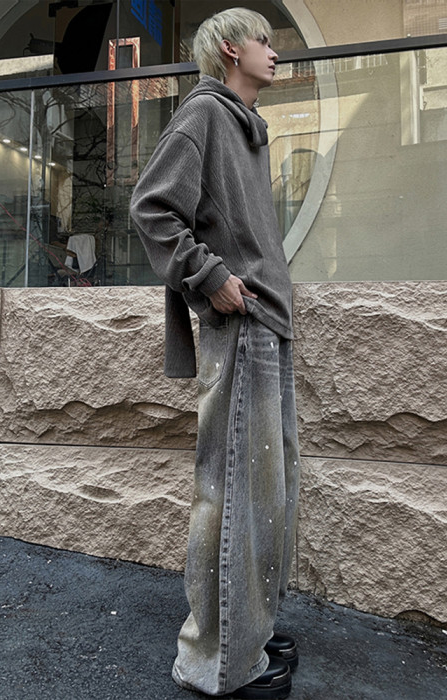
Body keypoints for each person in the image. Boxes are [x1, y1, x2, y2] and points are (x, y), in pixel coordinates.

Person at [129, 8, 300, 699]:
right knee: (232, 497)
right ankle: (215, 661)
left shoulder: (245, 126)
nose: (274, 52)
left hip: (268, 325)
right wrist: (211, 277)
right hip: (243, 324)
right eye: (264, 40)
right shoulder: (204, 114)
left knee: (266, 497)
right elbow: (152, 207)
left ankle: (246, 629)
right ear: (230, 49)